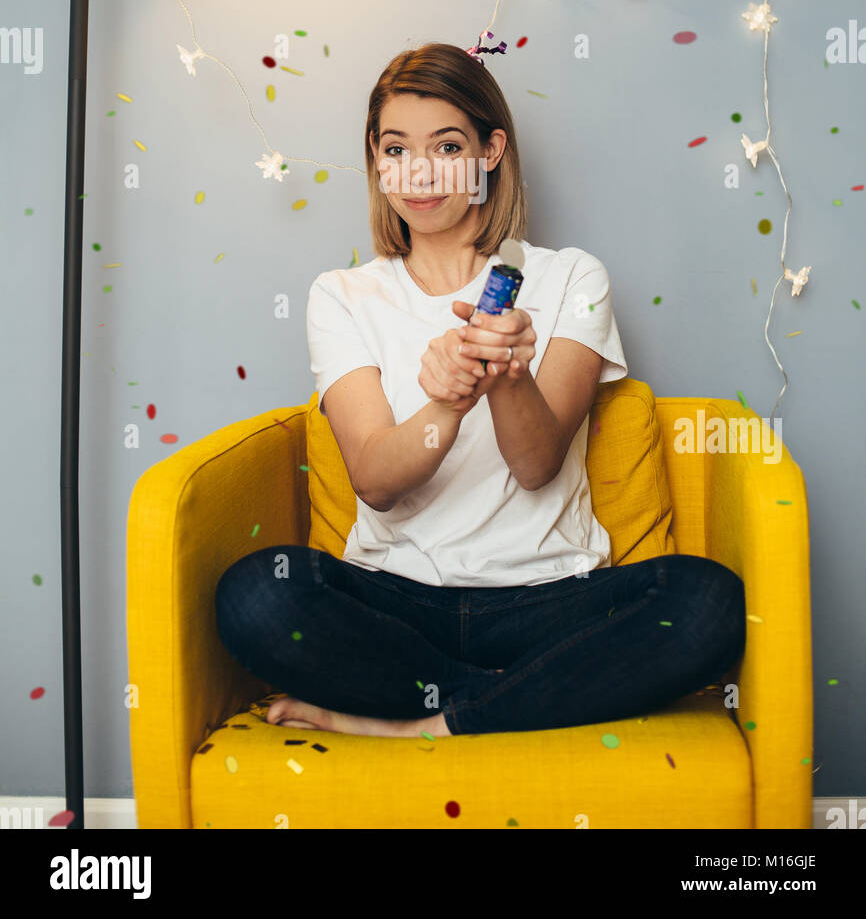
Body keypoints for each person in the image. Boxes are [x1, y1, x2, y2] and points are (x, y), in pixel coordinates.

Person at [215, 42, 746, 737]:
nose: (420, 172)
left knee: (708, 600)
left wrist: (508, 378)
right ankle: (517, 702)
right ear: (375, 157)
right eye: (397, 148)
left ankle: (424, 722)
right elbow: (374, 481)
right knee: (257, 594)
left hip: (552, 603)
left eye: (447, 145)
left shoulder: (571, 279)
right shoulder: (343, 295)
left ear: (491, 152)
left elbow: (536, 466)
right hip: (396, 606)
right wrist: (446, 401)